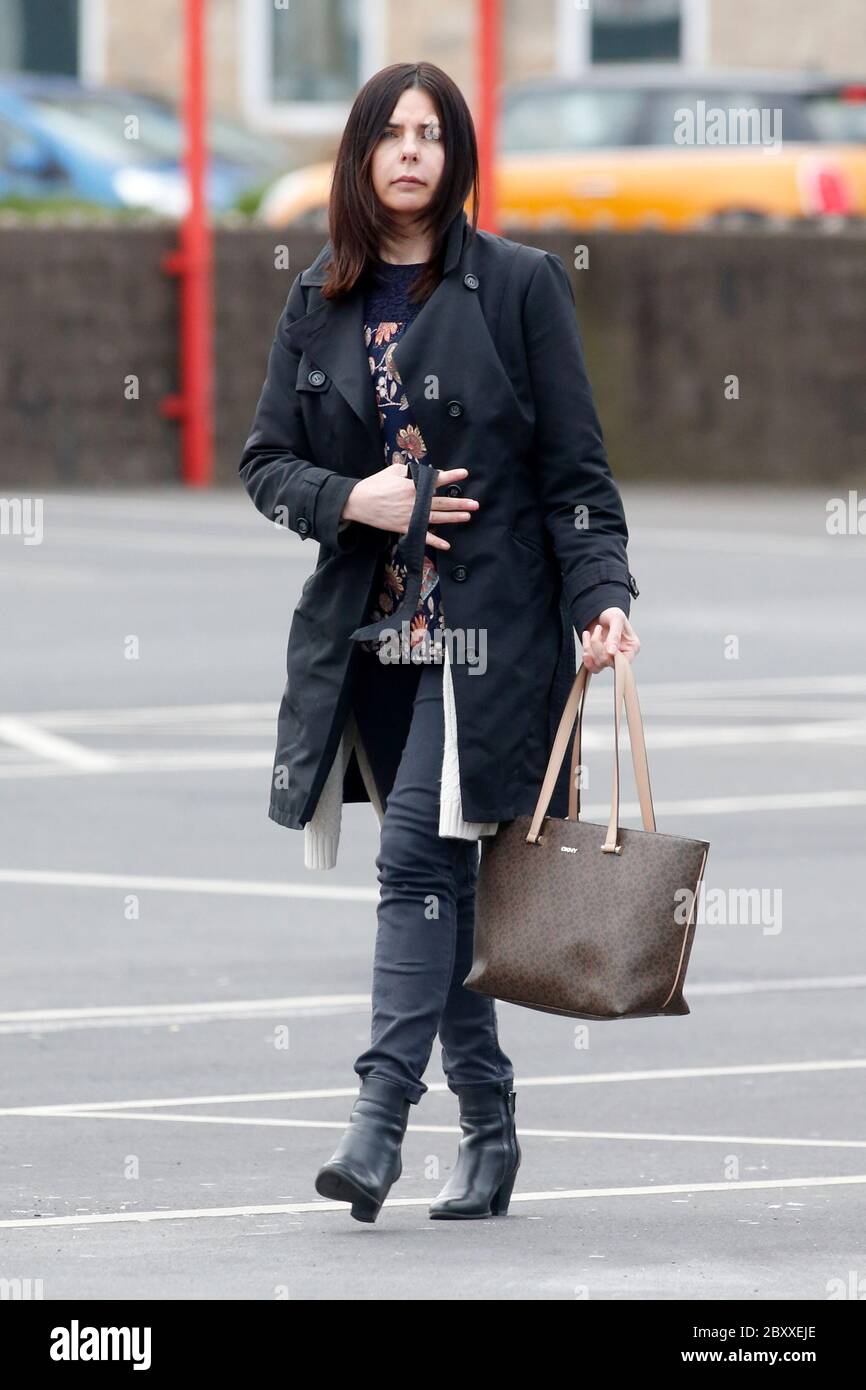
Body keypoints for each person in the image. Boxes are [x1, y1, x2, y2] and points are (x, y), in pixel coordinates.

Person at [238, 61, 641, 1224]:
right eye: (390, 133)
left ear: (455, 157)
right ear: (360, 156)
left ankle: (375, 1123)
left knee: (415, 855)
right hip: (371, 640)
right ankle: (490, 1121)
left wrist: (601, 595)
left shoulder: (516, 286)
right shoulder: (317, 300)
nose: (410, 151)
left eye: (431, 134)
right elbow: (266, 464)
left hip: (491, 637)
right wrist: (352, 500)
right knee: (443, 888)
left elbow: (575, 472)